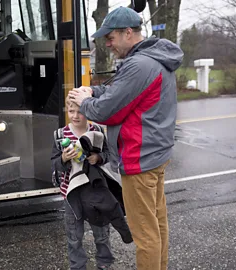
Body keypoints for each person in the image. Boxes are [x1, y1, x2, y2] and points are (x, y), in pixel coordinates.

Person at [67, 6, 184, 270]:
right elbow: (118, 90)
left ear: (128, 33)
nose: (107, 44)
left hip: (139, 159)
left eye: (110, 38)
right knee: (157, 223)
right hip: (156, 155)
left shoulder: (139, 64)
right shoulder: (151, 58)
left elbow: (107, 111)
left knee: (144, 234)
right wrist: (93, 90)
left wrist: (85, 101)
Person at [50, 96, 115, 270]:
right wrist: (63, 158)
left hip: (96, 193)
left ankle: (104, 264)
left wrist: (98, 158)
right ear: (67, 111)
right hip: (72, 195)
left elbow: (109, 155)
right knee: (74, 237)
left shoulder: (98, 131)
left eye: (81, 111)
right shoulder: (60, 135)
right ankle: (78, 267)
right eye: (71, 111)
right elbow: (54, 164)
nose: (76, 116)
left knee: (102, 234)